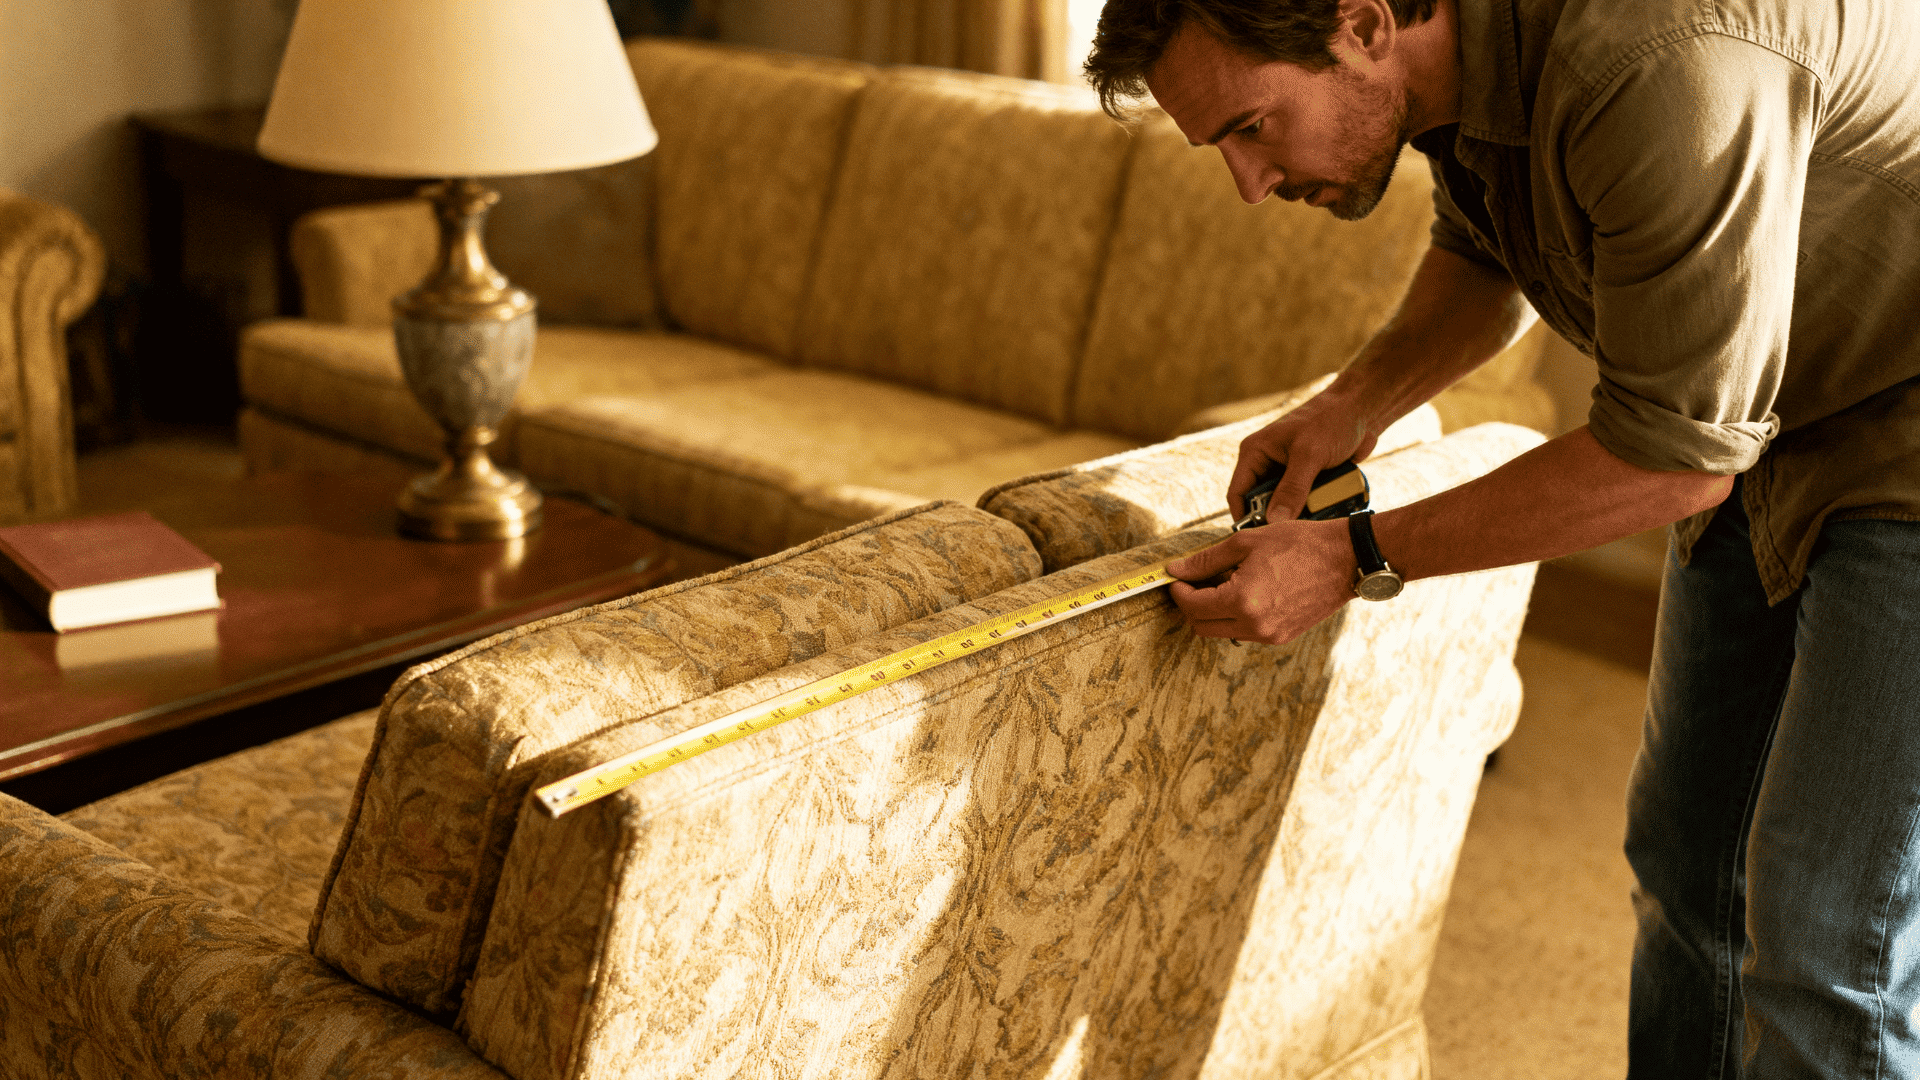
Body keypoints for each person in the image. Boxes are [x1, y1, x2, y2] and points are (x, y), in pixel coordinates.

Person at [1081, 0, 1920, 1075]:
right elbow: (1487, 249)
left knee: (1825, 944)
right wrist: (1353, 405)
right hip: (1768, 413)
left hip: (1881, 425)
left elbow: (1673, 462)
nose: (1250, 185)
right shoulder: (1458, 69)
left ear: (1364, 23)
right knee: (1692, 875)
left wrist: (1352, 555)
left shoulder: (1655, 62)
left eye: (1252, 127)